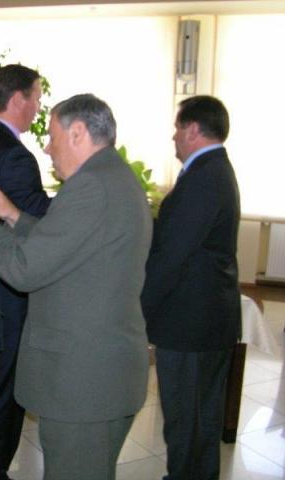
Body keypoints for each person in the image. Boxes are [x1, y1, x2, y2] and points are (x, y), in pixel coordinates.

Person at [0, 93, 152, 480]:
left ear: (78, 133)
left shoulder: (90, 187)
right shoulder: (111, 177)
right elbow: (68, 245)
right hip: (101, 374)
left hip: (84, 384)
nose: (48, 149)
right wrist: (14, 216)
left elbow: (25, 269)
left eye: (52, 137)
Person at [141, 95, 241, 480]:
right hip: (205, 320)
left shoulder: (204, 178)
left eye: (178, 127)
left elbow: (172, 256)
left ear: (193, 129)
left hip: (191, 325)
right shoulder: (212, 170)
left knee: (187, 423)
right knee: (201, 420)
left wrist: (138, 309)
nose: (173, 136)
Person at [0, 64, 51, 480]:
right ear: (18, 99)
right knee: (4, 393)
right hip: (7, 292)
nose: (38, 107)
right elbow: (38, 220)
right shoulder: (15, 155)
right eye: (36, 98)